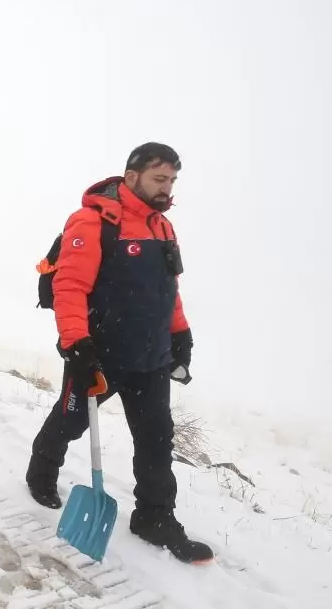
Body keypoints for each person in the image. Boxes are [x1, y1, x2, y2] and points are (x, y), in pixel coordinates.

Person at [25, 142, 211, 564]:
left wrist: (180, 333)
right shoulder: (93, 222)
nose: (168, 189)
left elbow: (167, 290)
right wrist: (76, 344)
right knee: (70, 420)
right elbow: (68, 286)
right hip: (100, 354)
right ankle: (42, 469)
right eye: (159, 179)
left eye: (172, 181)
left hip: (151, 357)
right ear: (131, 177)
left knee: (156, 439)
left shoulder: (163, 228)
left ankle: (154, 516)